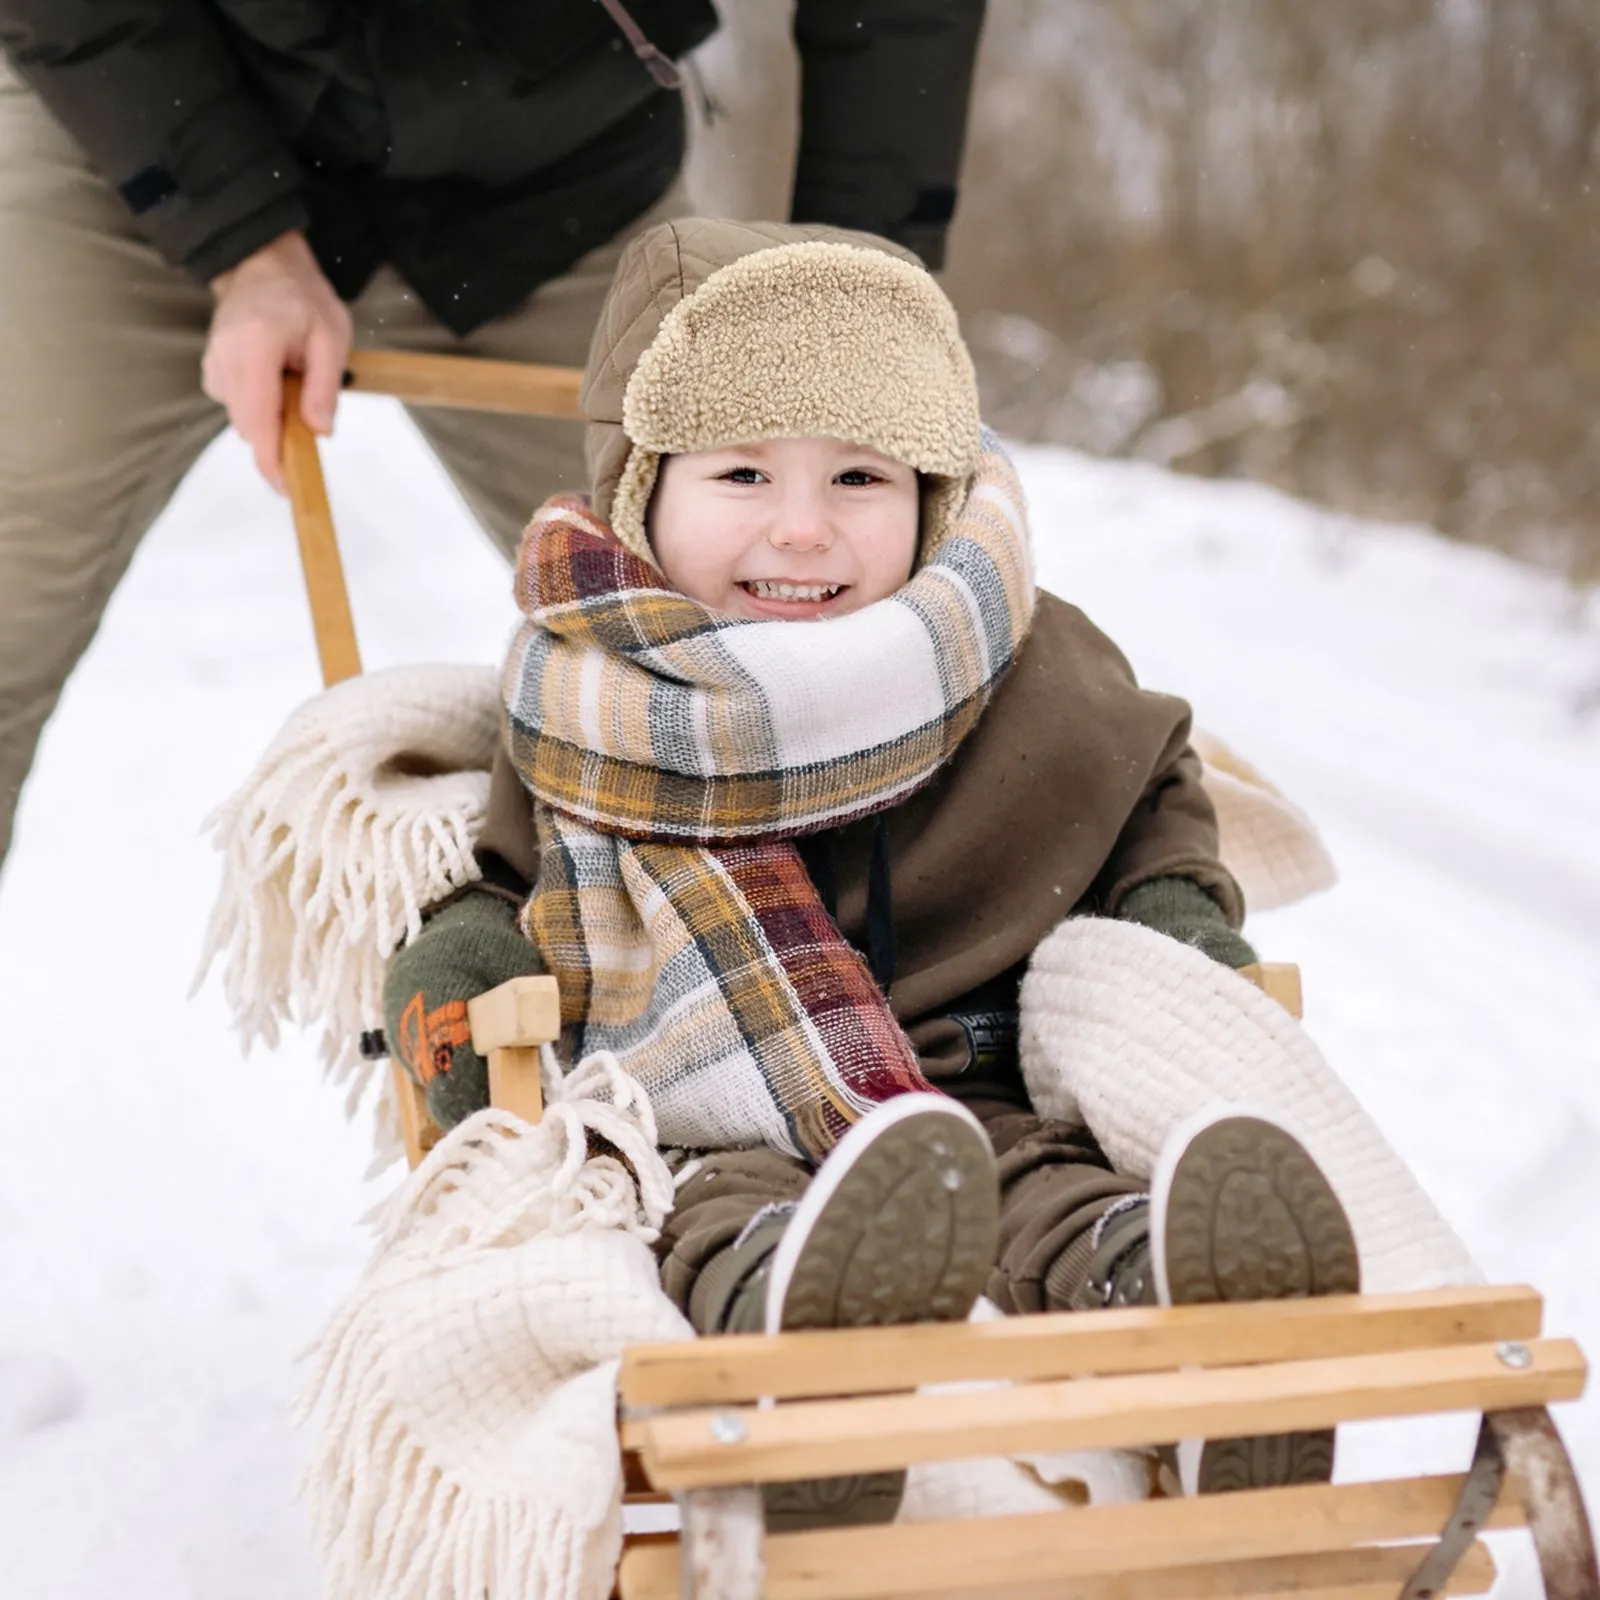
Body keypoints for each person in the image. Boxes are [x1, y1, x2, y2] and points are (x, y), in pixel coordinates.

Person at [382, 217, 1361, 1526]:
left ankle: (1204, 1316)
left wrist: (1176, 921)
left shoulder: (1019, 659)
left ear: (932, 498)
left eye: (859, 479)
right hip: (714, 1108)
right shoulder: (585, 694)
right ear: (642, 493)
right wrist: (461, 955)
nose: (802, 532)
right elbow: (505, 874)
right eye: (740, 474)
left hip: (988, 1079)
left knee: (1066, 1196)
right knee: (716, 1222)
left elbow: (1146, 793)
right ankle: (808, 1367)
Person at [0, 0, 988, 878]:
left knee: (774, 635)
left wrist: (860, 288)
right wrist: (241, 243)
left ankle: (847, 1024)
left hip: (555, 183)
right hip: (145, 127)